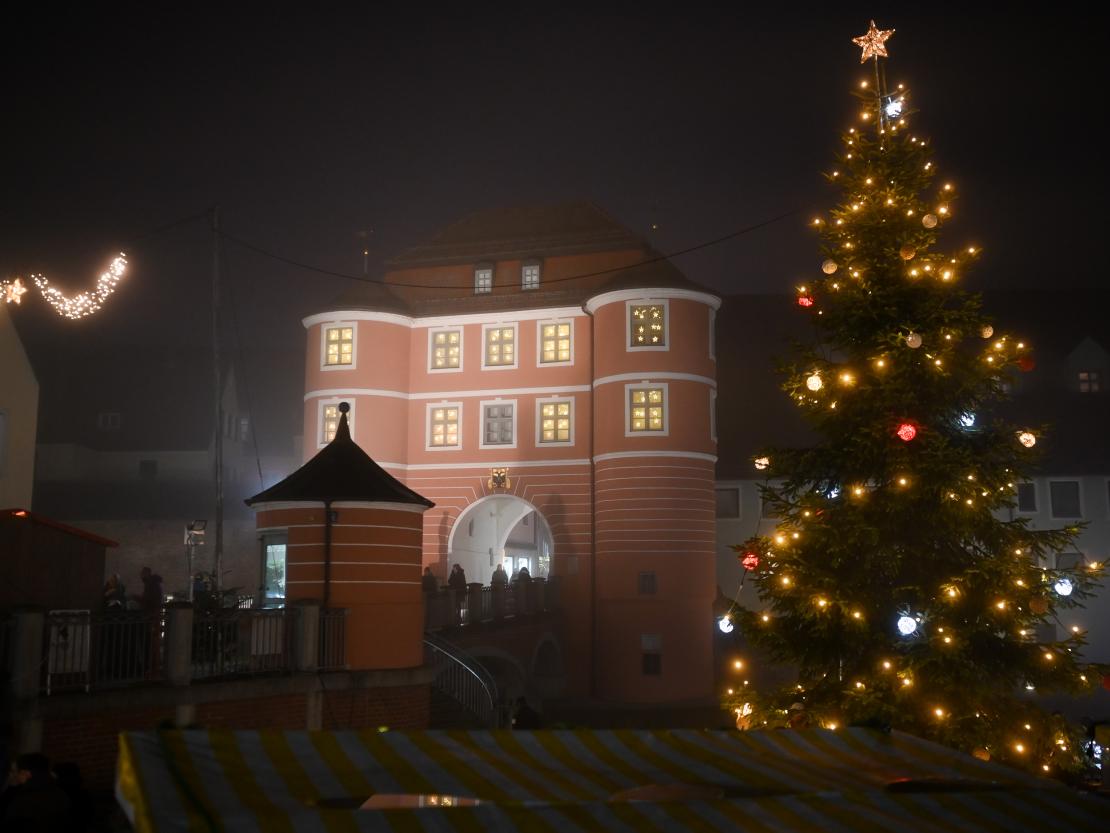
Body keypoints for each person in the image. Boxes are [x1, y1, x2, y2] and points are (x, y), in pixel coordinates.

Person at [1, 752, 71, 832]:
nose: (11, 775)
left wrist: (10, 788)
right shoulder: (62, 794)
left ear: (26, 774)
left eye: (14, 771)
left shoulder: (23, 801)